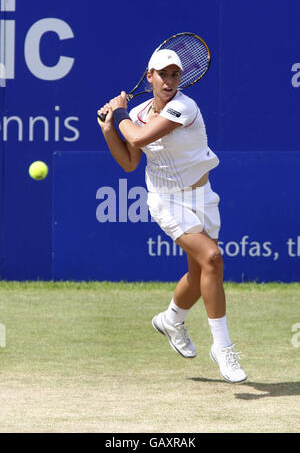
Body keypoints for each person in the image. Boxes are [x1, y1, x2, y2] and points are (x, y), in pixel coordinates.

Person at [97, 49, 247, 384]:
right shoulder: (136, 113)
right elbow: (130, 162)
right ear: (148, 76)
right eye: (162, 74)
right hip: (166, 200)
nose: (169, 81)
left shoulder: (184, 107)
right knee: (213, 259)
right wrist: (110, 128)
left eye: (175, 75)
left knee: (200, 275)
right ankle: (223, 349)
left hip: (203, 198)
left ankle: (171, 319)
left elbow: (137, 136)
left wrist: (119, 114)